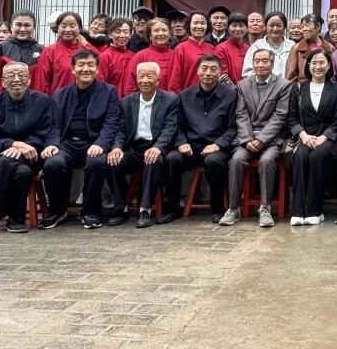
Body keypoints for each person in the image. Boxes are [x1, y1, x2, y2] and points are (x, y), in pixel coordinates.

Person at [0, 62, 59, 233]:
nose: (17, 79)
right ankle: (15, 220)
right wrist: (14, 144)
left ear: (29, 80)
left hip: (34, 155)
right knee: (19, 170)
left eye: (21, 75)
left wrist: (27, 146)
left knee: (9, 161)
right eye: (11, 76)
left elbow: (47, 130)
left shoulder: (44, 102)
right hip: (4, 155)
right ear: (3, 82)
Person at [41, 49, 122, 230]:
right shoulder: (60, 93)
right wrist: (52, 144)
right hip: (67, 143)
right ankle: (57, 211)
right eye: (81, 65)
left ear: (97, 69)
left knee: (96, 162)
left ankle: (91, 211)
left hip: (93, 142)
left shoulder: (109, 91)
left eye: (91, 65)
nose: (86, 69)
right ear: (73, 69)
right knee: (53, 163)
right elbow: (53, 125)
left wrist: (100, 144)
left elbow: (111, 123)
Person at [160, 55, 238, 224]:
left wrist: (218, 144)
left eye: (213, 69)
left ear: (220, 72)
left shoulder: (231, 96)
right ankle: (172, 209)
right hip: (191, 147)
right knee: (172, 159)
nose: (208, 73)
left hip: (216, 147)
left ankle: (217, 209)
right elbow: (176, 126)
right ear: (197, 71)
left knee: (213, 161)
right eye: (204, 68)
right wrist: (181, 143)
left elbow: (233, 127)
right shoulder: (184, 96)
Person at [221, 49, 292, 227]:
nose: (260, 65)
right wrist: (247, 139)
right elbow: (241, 114)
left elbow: (280, 116)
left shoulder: (283, 85)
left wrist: (262, 140)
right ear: (252, 64)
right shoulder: (243, 85)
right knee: (236, 160)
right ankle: (233, 207)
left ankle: (265, 208)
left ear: (272, 64)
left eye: (264, 61)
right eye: (257, 61)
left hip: (271, 139)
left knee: (267, 161)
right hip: (247, 138)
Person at [107, 61, 179, 229]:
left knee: (153, 160)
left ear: (158, 80)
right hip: (134, 148)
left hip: (154, 147)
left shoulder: (170, 100)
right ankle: (121, 208)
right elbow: (121, 130)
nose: (145, 80)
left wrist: (157, 147)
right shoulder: (126, 102)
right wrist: (117, 147)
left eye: (149, 76)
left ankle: (145, 210)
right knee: (112, 161)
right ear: (136, 79)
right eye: (141, 76)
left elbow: (170, 128)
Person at [287, 49, 337, 225]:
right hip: (305, 137)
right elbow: (292, 117)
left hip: (328, 139)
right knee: (301, 156)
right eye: (314, 63)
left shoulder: (336, 89)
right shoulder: (298, 88)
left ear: (329, 65)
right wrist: (303, 135)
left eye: (321, 63)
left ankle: (314, 210)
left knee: (317, 156)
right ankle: (298, 211)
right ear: (308, 66)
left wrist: (324, 137)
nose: (317, 67)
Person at [0, 11, 43, 98]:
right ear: (11, 27)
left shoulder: (41, 50)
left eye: (27, 25)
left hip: (34, 100)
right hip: (5, 101)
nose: (22, 29)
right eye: (18, 25)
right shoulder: (0, 48)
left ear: (33, 27)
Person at [37, 12, 98, 95]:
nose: (68, 30)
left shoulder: (86, 49)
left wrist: (87, 44)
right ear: (57, 29)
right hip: (58, 100)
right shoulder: (49, 51)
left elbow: (99, 62)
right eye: (63, 26)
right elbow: (42, 81)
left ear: (80, 29)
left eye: (72, 26)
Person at [124, 18, 175, 95]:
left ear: (170, 34)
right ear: (150, 35)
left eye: (164, 30)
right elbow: (129, 86)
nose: (161, 33)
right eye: (156, 30)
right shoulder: (140, 56)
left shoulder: (176, 55)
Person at [167, 12, 215, 92]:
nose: (199, 26)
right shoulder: (180, 48)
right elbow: (174, 80)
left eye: (202, 23)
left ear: (207, 26)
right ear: (189, 25)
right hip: (187, 96)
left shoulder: (212, 48)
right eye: (195, 23)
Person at [244, 11, 295, 80]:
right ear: (265, 27)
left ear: (284, 27)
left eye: (279, 25)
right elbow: (247, 72)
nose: (275, 29)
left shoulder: (292, 46)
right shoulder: (257, 46)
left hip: (288, 85)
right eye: (271, 25)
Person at [286, 14, 333, 83]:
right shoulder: (296, 48)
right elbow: (290, 77)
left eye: (307, 25)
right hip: (302, 87)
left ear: (318, 26)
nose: (304, 29)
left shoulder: (330, 48)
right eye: (303, 26)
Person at [97, 18, 135, 97]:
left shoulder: (134, 56)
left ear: (130, 35)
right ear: (110, 34)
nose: (122, 35)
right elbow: (100, 83)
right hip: (111, 99)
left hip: (131, 100)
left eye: (125, 32)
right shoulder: (104, 57)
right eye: (118, 32)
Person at [214, 13, 250, 85]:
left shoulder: (249, 49)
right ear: (227, 28)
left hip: (249, 89)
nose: (237, 29)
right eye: (234, 25)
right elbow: (222, 76)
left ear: (247, 28)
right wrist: (235, 90)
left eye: (241, 26)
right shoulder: (221, 48)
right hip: (229, 90)